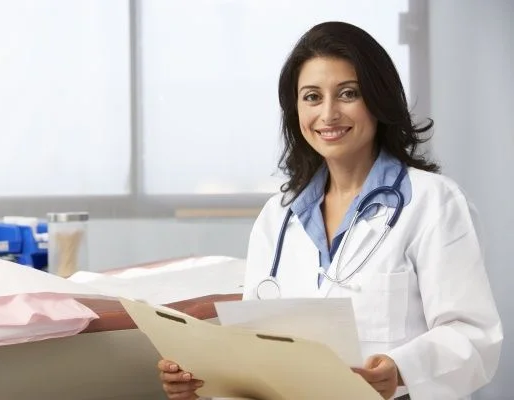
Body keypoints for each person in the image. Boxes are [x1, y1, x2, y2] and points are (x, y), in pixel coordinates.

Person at [156, 21, 503, 400]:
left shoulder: (433, 202)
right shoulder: (279, 217)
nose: (328, 113)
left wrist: (402, 370)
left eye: (348, 93)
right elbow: (253, 351)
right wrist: (200, 386)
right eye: (311, 97)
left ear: (378, 98)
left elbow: (473, 336)